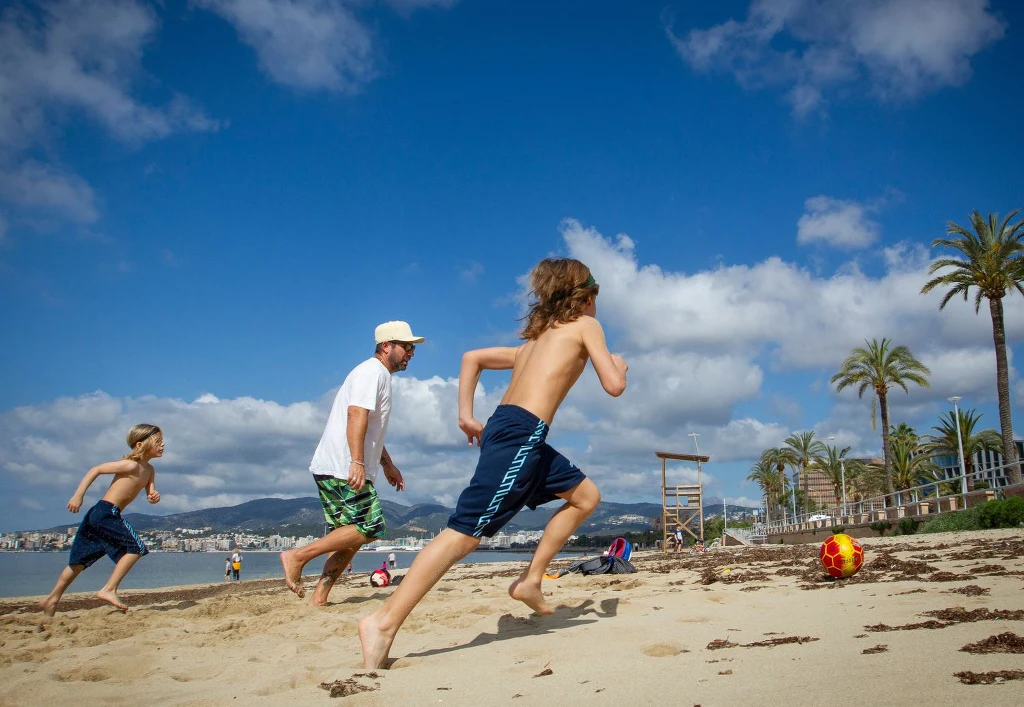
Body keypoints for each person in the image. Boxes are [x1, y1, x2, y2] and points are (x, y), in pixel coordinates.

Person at [359, 258, 628, 668]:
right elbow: (614, 385)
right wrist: (619, 366)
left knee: (586, 497)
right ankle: (383, 621)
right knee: (465, 533)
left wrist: (466, 415)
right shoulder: (586, 326)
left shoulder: (532, 344)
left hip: (519, 434)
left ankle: (531, 580)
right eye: (595, 300)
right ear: (585, 297)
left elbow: (472, 358)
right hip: (521, 435)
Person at [280, 321, 424, 605]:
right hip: (342, 465)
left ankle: (319, 597)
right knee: (369, 528)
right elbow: (356, 415)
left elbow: (371, 429)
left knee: (351, 536)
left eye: (412, 348)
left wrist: (386, 464)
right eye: (406, 346)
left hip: (343, 464)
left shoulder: (378, 375)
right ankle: (296, 556)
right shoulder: (372, 372)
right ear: (386, 346)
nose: (411, 353)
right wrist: (357, 461)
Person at [38, 424, 163, 616]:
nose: (163, 445)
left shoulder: (150, 470)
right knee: (136, 548)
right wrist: (78, 495)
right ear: (140, 444)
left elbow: (150, 493)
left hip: (99, 514)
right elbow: (95, 470)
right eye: (158, 441)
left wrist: (153, 496)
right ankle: (109, 589)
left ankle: (52, 599)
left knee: (79, 562)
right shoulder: (130, 465)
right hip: (106, 512)